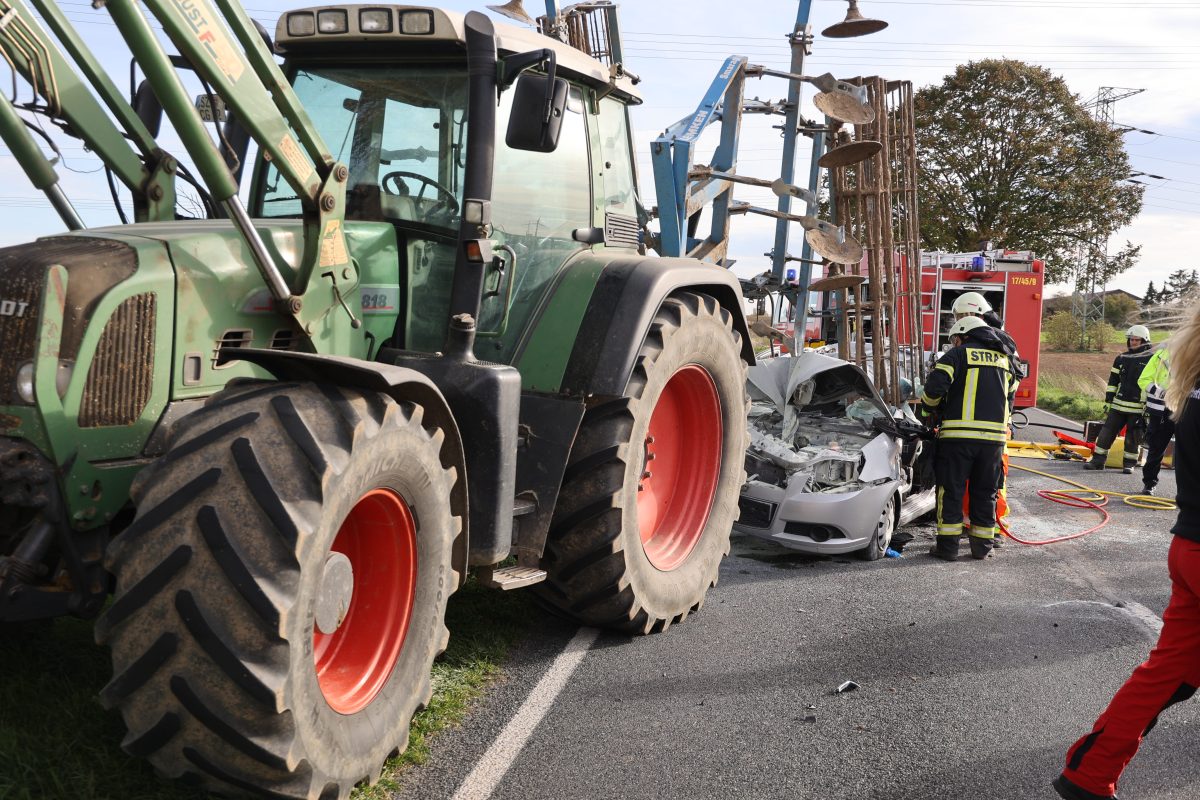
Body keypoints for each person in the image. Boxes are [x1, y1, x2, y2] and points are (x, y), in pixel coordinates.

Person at [1054, 301, 1200, 800]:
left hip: (1190, 547)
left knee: (1163, 677)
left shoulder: (1193, 381)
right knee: (1165, 677)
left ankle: (1088, 774)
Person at [920, 315, 1018, 561]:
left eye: (955, 339)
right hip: (994, 441)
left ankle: (948, 548)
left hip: (958, 437)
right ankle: (982, 547)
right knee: (986, 491)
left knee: (951, 490)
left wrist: (927, 411)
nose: (955, 343)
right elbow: (1011, 396)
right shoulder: (1005, 358)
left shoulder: (957, 355)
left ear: (964, 335)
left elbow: (933, 390)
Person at [950, 291, 1020, 544]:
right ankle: (982, 527)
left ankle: (993, 528)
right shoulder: (1000, 340)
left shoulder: (996, 340)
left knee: (991, 483)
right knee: (987, 481)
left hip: (988, 423)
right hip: (997, 422)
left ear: (971, 313)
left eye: (960, 316)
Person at [1084, 325, 1155, 473]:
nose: (1133, 342)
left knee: (1133, 437)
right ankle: (1098, 461)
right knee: (1106, 433)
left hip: (1138, 407)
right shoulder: (1121, 358)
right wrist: (1109, 398)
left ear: (1145, 340)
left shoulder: (1152, 359)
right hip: (1118, 405)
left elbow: (1154, 382)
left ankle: (1129, 464)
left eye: (1136, 340)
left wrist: (1149, 407)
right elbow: (1113, 380)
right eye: (1131, 339)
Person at [1138, 343, 1174, 496]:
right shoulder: (1160, 356)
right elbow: (1143, 380)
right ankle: (1149, 483)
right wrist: (1160, 393)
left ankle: (1189, 492)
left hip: (1187, 409)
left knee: (1190, 451)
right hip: (1161, 409)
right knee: (1156, 448)